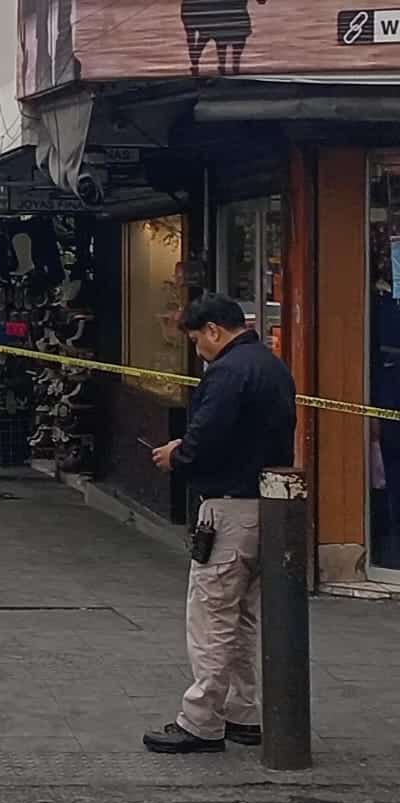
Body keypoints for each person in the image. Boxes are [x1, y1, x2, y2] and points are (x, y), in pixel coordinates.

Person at [144, 293, 296, 754]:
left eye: (197, 340)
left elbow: (208, 436)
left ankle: (201, 719)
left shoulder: (227, 372)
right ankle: (242, 711)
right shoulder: (271, 366)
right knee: (242, 617)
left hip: (228, 508)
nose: (198, 350)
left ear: (213, 329)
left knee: (212, 616)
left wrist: (178, 455)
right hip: (267, 506)